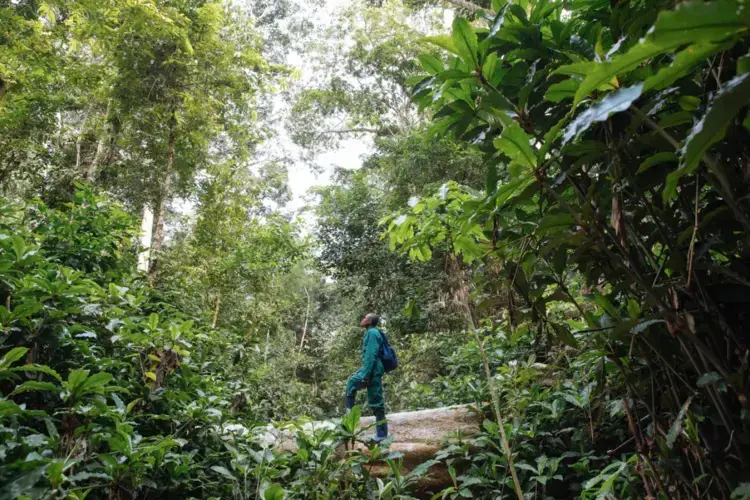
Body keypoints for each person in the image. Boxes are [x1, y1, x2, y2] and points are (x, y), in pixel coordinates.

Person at [345, 313, 388, 442]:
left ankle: (381, 435)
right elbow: (368, 358)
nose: (362, 319)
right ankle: (349, 424)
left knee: (376, 402)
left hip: (373, 372)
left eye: (364, 318)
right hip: (370, 369)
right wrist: (360, 371)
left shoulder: (372, 333)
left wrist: (365, 376)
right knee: (351, 383)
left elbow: (371, 355)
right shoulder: (371, 333)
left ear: (368, 321)